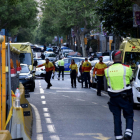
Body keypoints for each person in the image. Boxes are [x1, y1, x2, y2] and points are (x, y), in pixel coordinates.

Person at [104, 50, 134, 140]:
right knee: (129, 115)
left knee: (116, 117)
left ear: (112, 59)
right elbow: (131, 78)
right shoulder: (127, 68)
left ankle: (118, 136)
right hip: (125, 96)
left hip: (113, 97)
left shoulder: (107, 70)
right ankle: (128, 133)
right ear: (121, 58)